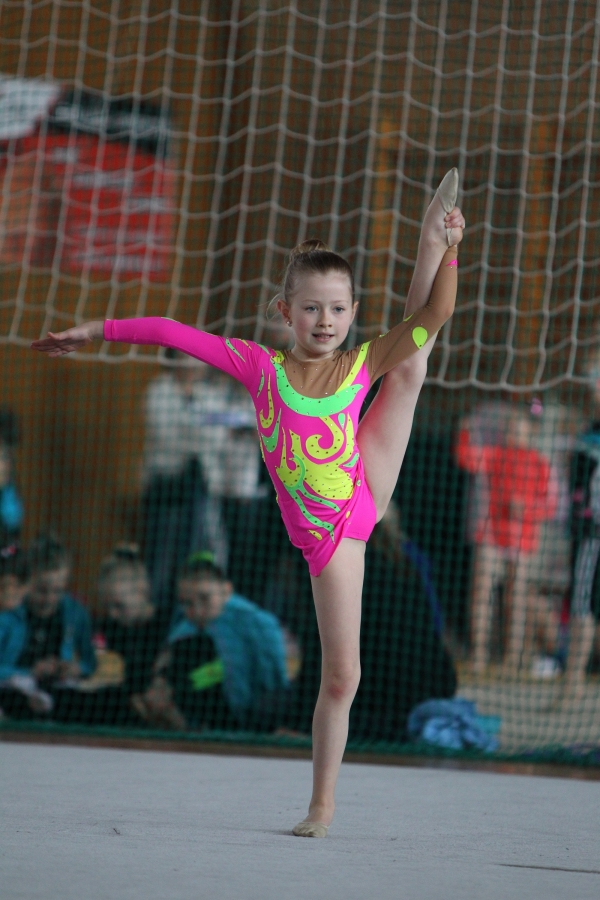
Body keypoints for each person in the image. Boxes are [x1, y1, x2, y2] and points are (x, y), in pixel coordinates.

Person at [31, 168, 463, 837]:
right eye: (312, 308)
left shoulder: (359, 362)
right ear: (285, 312)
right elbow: (171, 331)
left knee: (410, 366)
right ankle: (320, 799)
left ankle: (430, 235)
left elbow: (433, 317)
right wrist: (94, 329)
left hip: (357, 501)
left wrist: (452, 250)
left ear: (352, 313)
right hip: (327, 537)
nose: (325, 321)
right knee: (340, 677)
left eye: (338, 309)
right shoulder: (260, 368)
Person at [142, 348, 259, 609]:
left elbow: (218, 438)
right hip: (166, 488)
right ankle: (158, 612)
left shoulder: (209, 394)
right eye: (185, 357)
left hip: (203, 489)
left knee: (203, 552)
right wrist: (202, 432)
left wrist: (195, 430)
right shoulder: (160, 390)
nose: (192, 363)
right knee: (162, 558)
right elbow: (166, 436)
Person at [456, 408, 557, 674]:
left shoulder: (539, 464)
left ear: (530, 431)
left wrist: (526, 510)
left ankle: (513, 659)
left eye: (517, 426)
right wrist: (465, 431)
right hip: (490, 534)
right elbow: (467, 458)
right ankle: (478, 654)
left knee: (517, 597)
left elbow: (550, 506)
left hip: (522, 540)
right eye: (509, 427)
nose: (511, 431)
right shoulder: (495, 455)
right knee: (481, 591)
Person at [53, 544, 171, 725]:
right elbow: (95, 666)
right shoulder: (108, 628)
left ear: (141, 591)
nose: (112, 614)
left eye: (118, 605)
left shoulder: (168, 626)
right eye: (107, 606)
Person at [0, 535, 96, 719]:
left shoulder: (76, 612)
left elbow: (89, 663)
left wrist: (74, 669)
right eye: (42, 591)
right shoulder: (8, 613)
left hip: (58, 691)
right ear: (28, 583)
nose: (49, 599)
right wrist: (30, 672)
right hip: (12, 691)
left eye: (58, 591)